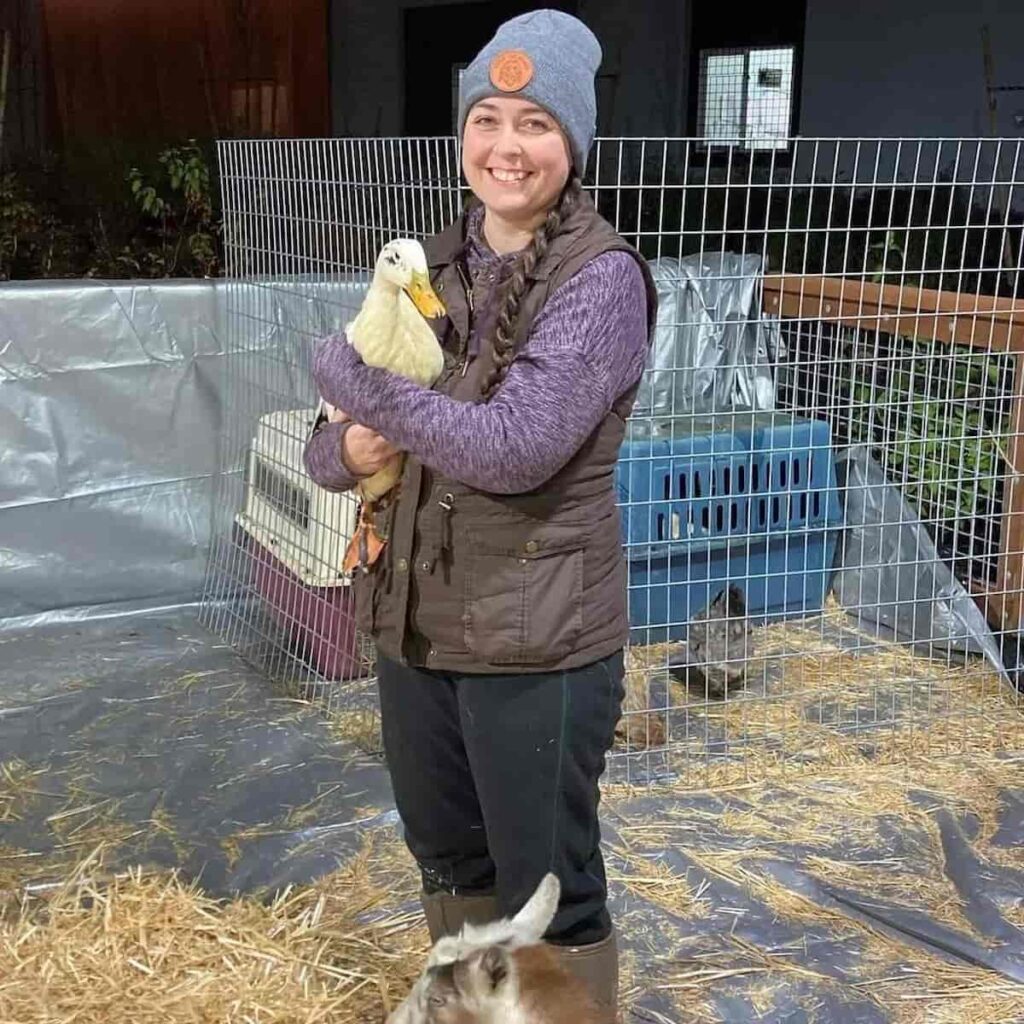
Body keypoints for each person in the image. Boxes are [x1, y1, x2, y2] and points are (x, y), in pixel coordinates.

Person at [303, 9, 657, 1019]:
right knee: (447, 855)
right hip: (416, 621)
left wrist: (354, 386)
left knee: (548, 883)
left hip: (536, 637)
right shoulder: (423, 265)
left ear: (573, 142)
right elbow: (327, 449)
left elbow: (513, 449)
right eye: (487, 120)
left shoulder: (600, 280)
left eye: (535, 123)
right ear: (462, 136)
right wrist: (349, 445)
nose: (506, 147)